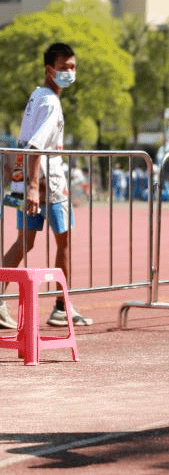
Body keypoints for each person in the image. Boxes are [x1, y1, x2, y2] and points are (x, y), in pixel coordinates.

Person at [0, 42, 92, 329]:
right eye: (64, 68)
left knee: (24, 242)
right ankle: (62, 306)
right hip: (48, 185)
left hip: (28, 179)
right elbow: (38, 144)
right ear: (49, 70)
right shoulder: (51, 102)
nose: (69, 73)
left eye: (73, 67)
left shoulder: (37, 96)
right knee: (63, 240)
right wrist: (32, 186)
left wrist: (25, 182)